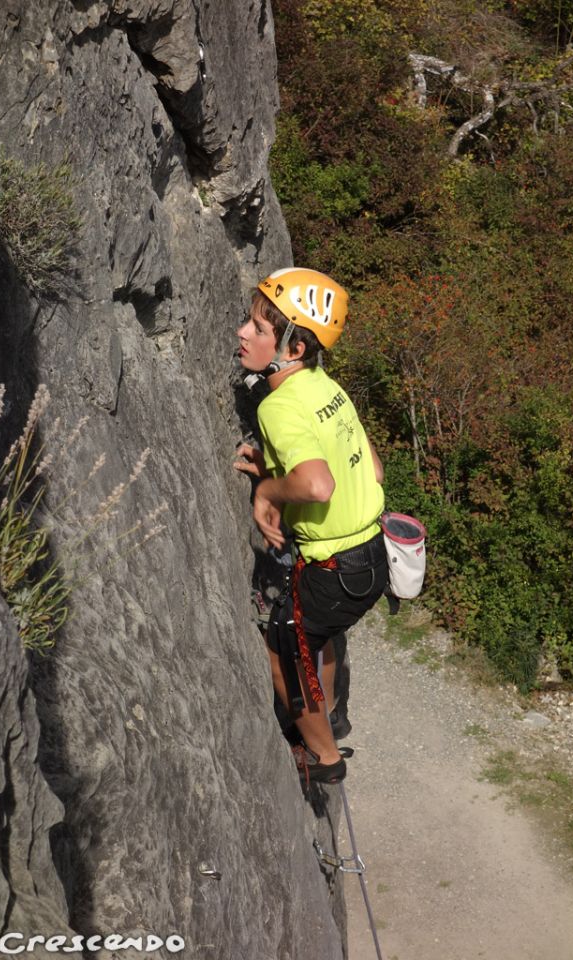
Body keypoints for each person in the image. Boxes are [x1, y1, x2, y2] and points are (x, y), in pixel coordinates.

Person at [234, 267, 387, 784]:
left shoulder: (279, 405)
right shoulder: (329, 387)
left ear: (293, 348)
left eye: (258, 328)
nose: (243, 334)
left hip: (335, 567)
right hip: (371, 557)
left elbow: (318, 485)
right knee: (317, 635)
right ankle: (333, 715)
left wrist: (268, 490)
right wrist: (277, 470)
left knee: (285, 643)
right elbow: (371, 468)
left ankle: (324, 760)